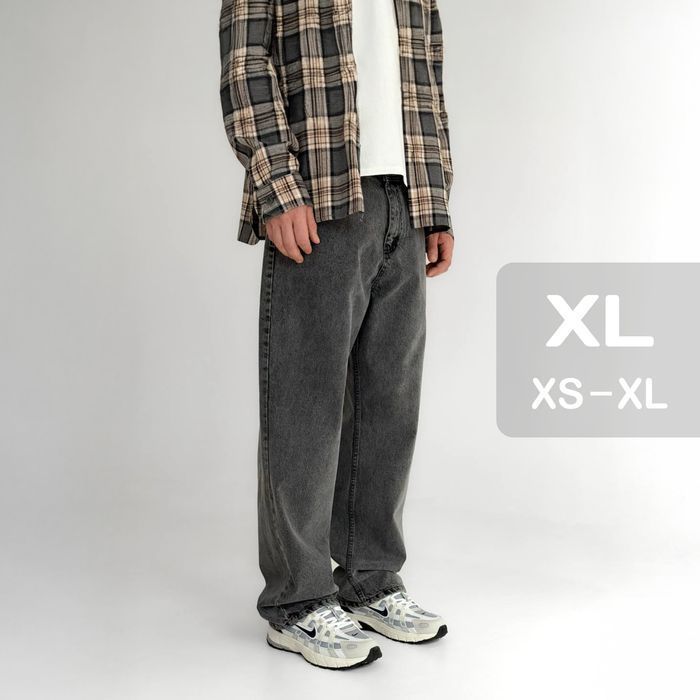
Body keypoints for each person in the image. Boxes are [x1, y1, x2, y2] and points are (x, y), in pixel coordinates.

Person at [218, 0, 454, 669]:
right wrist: (276, 188)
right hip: (318, 194)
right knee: (306, 405)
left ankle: (371, 580)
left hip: (403, 197)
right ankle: (297, 601)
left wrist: (435, 202)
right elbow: (245, 67)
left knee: (390, 403)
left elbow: (426, 80)